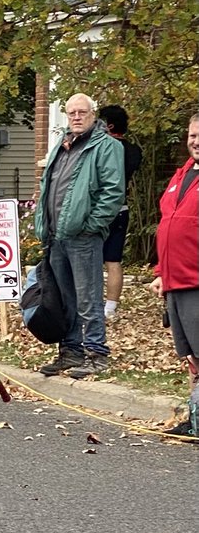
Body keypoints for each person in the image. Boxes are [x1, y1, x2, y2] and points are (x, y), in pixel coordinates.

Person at [34, 93, 124, 378]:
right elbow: (48, 185)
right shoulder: (62, 146)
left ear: (93, 114)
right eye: (71, 112)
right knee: (64, 298)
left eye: (82, 112)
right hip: (56, 235)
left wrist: (92, 224)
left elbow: (113, 191)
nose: (76, 117)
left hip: (84, 236)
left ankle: (97, 353)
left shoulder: (105, 146)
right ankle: (71, 351)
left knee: (89, 298)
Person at [149, 116, 199, 438]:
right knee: (193, 358)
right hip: (175, 281)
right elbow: (169, 224)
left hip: (196, 283)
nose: (196, 141)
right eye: (193, 135)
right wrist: (159, 272)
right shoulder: (182, 175)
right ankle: (196, 418)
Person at [100, 105, 143, 319]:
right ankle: (110, 307)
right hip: (121, 208)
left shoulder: (102, 147)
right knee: (113, 260)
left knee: (91, 258)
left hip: (99, 210)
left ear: (108, 125)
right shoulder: (134, 151)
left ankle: (91, 302)